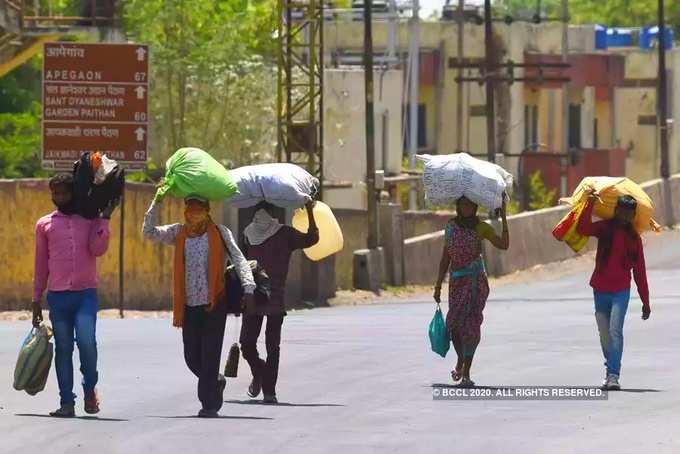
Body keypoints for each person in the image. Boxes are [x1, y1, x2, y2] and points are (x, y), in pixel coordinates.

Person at [142, 195, 255, 418]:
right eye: (190, 207)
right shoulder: (179, 232)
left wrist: (249, 287)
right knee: (191, 356)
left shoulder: (221, 232)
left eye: (198, 208)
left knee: (210, 355)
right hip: (190, 305)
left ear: (207, 210)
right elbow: (149, 232)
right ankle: (216, 380)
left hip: (215, 302)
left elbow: (239, 259)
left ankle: (209, 405)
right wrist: (156, 202)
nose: (193, 212)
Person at [32, 173, 119, 417]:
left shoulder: (89, 220)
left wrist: (105, 219)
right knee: (63, 348)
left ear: (74, 193)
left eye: (63, 193)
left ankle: (89, 387)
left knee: (87, 342)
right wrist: (36, 298)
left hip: (85, 295)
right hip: (58, 297)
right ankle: (66, 402)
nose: (59, 197)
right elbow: (41, 264)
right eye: (55, 193)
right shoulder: (44, 224)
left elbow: (98, 250)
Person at [239, 201, 319, 404]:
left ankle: (268, 390)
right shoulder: (249, 234)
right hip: (253, 297)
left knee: (264, 345)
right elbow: (312, 237)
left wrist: (310, 211)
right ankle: (262, 376)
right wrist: (309, 211)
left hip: (271, 298)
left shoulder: (283, 234)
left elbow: (311, 239)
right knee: (252, 345)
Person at [577, 192, 650, 391]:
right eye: (622, 211)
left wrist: (645, 301)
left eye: (629, 213)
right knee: (604, 333)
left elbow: (640, 271)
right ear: (616, 210)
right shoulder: (605, 228)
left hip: (620, 291)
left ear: (633, 215)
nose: (625, 216)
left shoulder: (634, 238)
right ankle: (610, 368)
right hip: (600, 289)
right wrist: (589, 205)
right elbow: (582, 228)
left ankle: (613, 375)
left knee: (615, 331)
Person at [433, 196, 509, 388]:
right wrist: (437, 285)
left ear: (475, 207)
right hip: (456, 282)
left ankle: (466, 371)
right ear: (458, 206)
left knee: (472, 326)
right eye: (463, 204)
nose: (467, 208)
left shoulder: (481, 227)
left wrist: (504, 218)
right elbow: (445, 258)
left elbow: (503, 245)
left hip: (475, 283)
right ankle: (460, 360)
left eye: (470, 205)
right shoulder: (450, 227)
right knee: (454, 325)